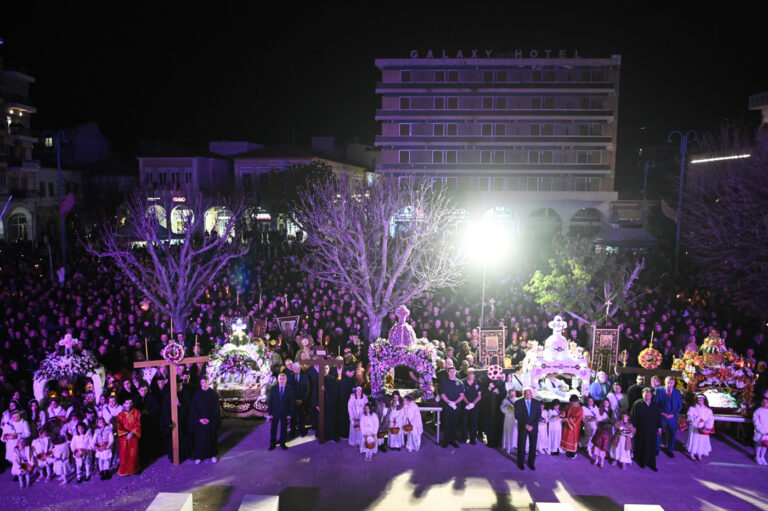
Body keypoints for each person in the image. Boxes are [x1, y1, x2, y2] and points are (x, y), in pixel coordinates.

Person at [189, 376, 220, 464]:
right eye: (202, 382)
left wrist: (210, 419)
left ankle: (212, 455)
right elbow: (193, 409)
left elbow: (216, 408)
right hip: (200, 422)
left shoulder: (213, 394)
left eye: (205, 382)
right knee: (200, 440)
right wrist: (199, 419)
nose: (204, 384)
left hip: (210, 421)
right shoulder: (197, 394)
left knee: (211, 439)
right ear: (200, 383)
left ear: (208, 382)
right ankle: (199, 456)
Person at [632, 387, 662, 471]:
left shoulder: (655, 405)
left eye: (648, 395)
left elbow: (658, 417)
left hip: (652, 429)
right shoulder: (637, 404)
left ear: (651, 395)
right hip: (641, 429)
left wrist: (659, 427)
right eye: (645, 394)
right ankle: (641, 461)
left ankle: (651, 463)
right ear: (642, 394)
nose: (647, 396)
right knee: (641, 444)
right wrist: (634, 427)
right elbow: (633, 416)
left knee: (652, 446)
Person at [654, 376, 683, 457]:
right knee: (658, 432)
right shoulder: (659, 390)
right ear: (665, 382)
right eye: (668, 383)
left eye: (671, 383)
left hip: (673, 417)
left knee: (672, 433)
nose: (669, 384)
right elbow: (655, 404)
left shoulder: (677, 392)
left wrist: (673, 414)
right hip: (661, 416)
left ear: (674, 383)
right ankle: (656, 448)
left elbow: (680, 405)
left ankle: (670, 450)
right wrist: (662, 413)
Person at [513, 387, 541, 470]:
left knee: (533, 446)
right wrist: (525, 425)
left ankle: (531, 463)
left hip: (533, 427)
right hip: (523, 427)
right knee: (521, 445)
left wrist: (532, 425)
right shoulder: (518, 402)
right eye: (525, 394)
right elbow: (517, 415)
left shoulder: (536, 402)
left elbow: (538, 415)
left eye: (529, 394)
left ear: (532, 394)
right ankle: (520, 463)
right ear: (523, 394)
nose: (527, 395)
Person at [267, 373, 294, 450]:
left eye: (283, 379)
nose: (282, 381)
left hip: (285, 412)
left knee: (284, 429)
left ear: (286, 380)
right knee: (273, 429)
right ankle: (272, 444)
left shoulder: (290, 389)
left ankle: (283, 443)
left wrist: (290, 414)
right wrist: (270, 413)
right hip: (275, 412)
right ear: (278, 380)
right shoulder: (273, 388)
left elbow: (292, 403)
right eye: (280, 379)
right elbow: (270, 402)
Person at [439, 367, 465, 448]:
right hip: (447, 406)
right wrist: (449, 402)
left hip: (456, 407)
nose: (452, 373)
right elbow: (443, 395)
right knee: (447, 423)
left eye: (453, 372)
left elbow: (462, 395)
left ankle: (453, 440)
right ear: (448, 372)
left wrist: (454, 403)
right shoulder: (444, 382)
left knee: (454, 423)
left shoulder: (460, 382)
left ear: (455, 372)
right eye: (450, 372)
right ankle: (446, 440)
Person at [116, 398, 141, 476]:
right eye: (126, 403)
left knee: (134, 453)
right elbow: (119, 426)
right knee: (124, 454)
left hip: (133, 436)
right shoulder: (120, 415)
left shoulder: (136, 412)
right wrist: (126, 434)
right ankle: (125, 470)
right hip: (124, 438)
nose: (129, 405)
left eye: (130, 403)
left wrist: (132, 433)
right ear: (123, 404)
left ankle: (135, 469)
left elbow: (138, 424)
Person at [686, 393, 714, 461]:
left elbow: (710, 418)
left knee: (702, 441)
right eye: (699, 399)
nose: (700, 401)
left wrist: (707, 425)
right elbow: (689, 417)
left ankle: (699, 453)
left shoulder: (708, 410)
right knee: (694, 440)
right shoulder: (692, 408)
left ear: (704, 400)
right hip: (694, 427)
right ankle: (692, 453)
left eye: (702, 399)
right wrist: (697, 420)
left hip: (703, 427)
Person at [3, 409, 31, 477]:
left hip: (20, 445)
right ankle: (18, 473)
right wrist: (7, 437)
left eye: (18, 416)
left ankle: (24, 473)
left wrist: (18, 435)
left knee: (21, 460)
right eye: (14, 417)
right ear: (11, 417)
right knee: (13, 460)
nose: (16, 418)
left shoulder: (24, 422)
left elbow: (28, 433)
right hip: (10, 445)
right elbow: (3, 437)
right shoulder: (8, 425)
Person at [289, 362, 310, 438]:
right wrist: (293, 400)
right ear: (293, 369)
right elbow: (288, 390)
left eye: (298, 369)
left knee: (302, 417)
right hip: (293, 401)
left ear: (300, 369)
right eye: (295, 369)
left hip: (302, 401)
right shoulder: (289, 377)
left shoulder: (305, 377)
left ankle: (302, 430)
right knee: (293, 418)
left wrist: (302, 400)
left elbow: (307, 390)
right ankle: (292, 431)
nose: (296, 370)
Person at [461, 369, 482, 444]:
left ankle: (473, 439)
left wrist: (473, 404)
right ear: (467, 373)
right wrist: (468, 403)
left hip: (475, 406)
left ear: (474, 374)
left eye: (472, 373)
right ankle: (464, 438)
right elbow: (462, 394)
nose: (470, 374)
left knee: (474, 422)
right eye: (469, 373)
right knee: (464, 422)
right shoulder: (462, 382)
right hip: (465, 405)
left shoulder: (478, 382)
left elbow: (479, 395)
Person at [591, 400, 614, 467]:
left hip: (607, 431)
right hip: (600, 429)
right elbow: (597, 419)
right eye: (604, 403)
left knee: (604, 446)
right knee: (597, 445)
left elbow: (613, 421)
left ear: (609, 403)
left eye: (607, 403)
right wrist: (597, 422)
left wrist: (609, 425)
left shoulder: (611, 411)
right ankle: (596, 460)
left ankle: (602, 461)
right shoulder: (599, 410)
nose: (606, 404)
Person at [561, 394, 583, 459]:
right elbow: (565, 410)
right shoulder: (570, 405)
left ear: (577, 401)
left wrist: (567, 419)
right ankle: (566, 449)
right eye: (571, 402)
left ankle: (573, 453)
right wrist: (563, 413)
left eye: (573, 403)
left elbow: (576, 419)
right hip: (567, 425)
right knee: (566, 437)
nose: (572, 404)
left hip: (574, 427)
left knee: (572, 440)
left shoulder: (580, 409)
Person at [500, 389, 516, 454]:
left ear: (515, 394)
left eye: (513, 394)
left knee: (514, 433)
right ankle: (508, 447)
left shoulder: (517, 400)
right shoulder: (505, 400)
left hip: (515, 418)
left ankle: (513, 446)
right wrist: (507, 408)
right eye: (511, 394)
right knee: (508, 433)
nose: (512, 395)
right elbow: (501, 408)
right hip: (508, 418)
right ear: (508, 394)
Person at [753, 397, 768, 465]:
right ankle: (757, 457)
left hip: (767, 432)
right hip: (760, 431)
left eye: (766, 402)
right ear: (761, 403)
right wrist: (762, 430)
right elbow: (756, 422)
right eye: (764, 402)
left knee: (765, 445)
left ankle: (762, 457)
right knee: (759, 444)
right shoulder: (758, 411)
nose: (765, 403)